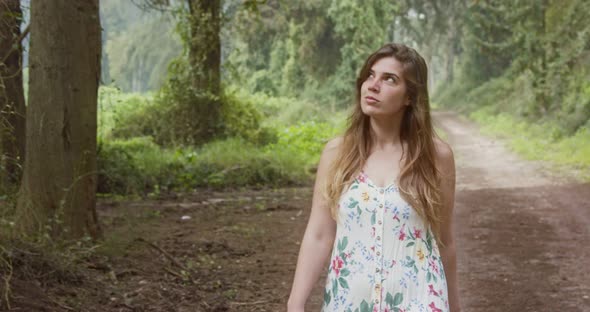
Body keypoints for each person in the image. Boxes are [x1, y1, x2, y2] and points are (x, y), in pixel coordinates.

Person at [287, 43, 461, 312]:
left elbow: (445, 240)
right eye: (370, 75)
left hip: (420, 300)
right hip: (349, 302)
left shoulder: (436, 156)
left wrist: (455, 307)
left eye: (389, 79)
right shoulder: (337, 153)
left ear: (410, 97)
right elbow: (320, 234)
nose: (373, 85)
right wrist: (295, 304)